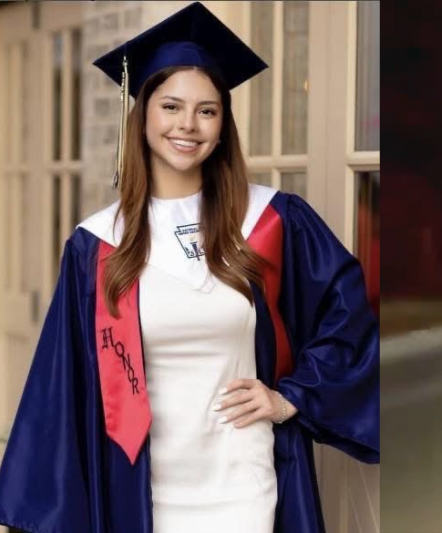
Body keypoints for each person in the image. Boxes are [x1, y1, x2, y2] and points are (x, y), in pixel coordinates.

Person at [0, 3, 378, 533]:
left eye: (207, 110)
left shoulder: (270, 221)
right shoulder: (97, 244)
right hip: (140, 490)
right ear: (144, 115)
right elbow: (62, 390)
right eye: (171, 106)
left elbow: (352, 316)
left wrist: (292, 397)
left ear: (223, 126)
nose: (188, 125)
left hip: (244, 483)